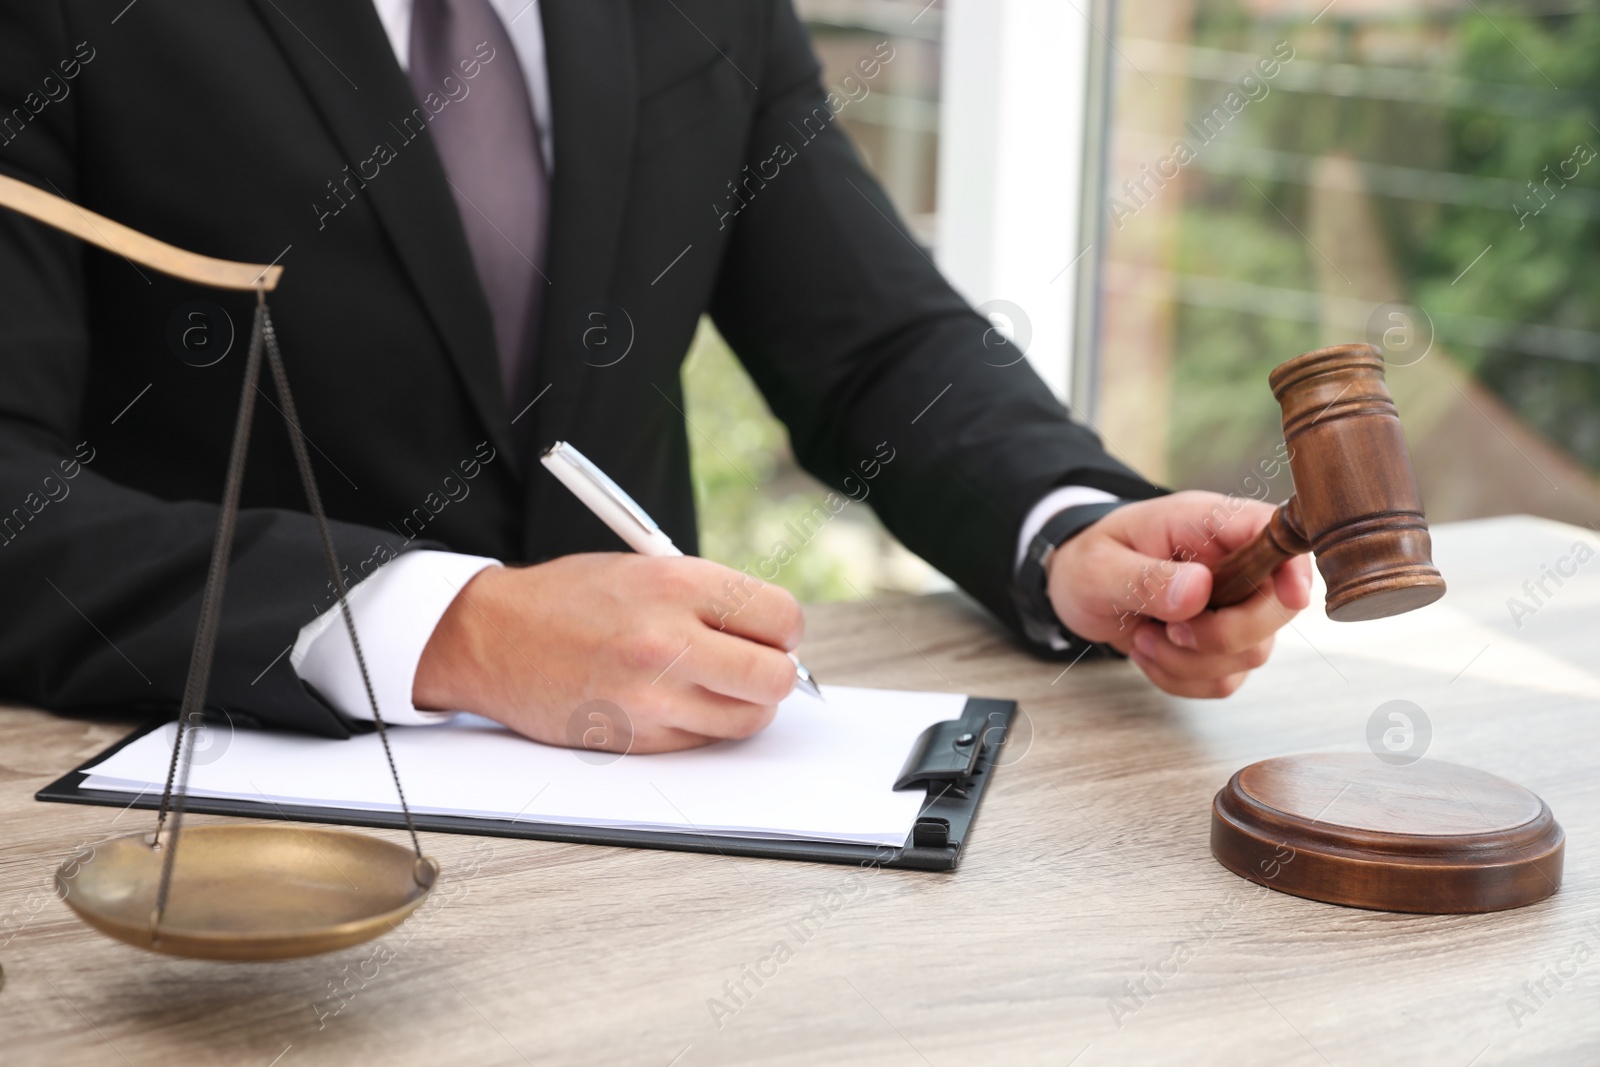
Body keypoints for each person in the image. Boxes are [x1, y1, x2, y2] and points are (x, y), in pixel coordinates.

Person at [0, 0, 1310, 753]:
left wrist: (1069, 527)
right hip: (206, 800)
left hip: (665, 808)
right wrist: (454, 630)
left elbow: (871, 341)